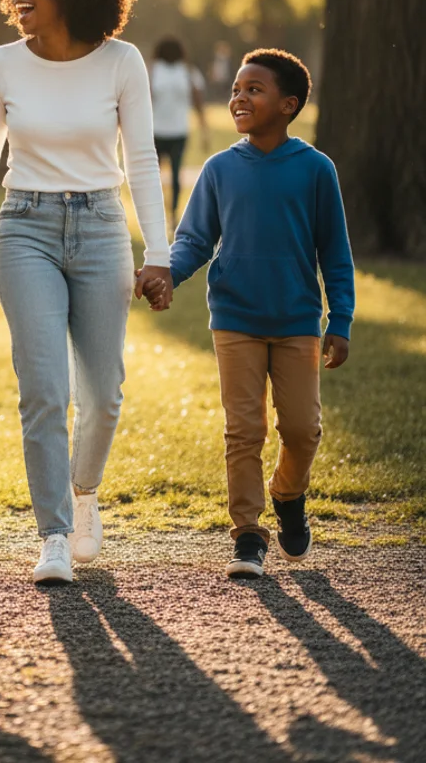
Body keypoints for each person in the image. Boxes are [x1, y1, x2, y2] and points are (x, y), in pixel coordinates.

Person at [0, 0, 171, 586]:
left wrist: (160, 254)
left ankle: (84, 491)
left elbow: (141, 161)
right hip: (25, 228)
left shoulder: (122, 63)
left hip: (100, 228)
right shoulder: (2, 64)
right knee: (44, 390)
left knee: (104, 394)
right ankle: (54, 534)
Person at [155, 49, 354, 580]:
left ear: (288, 105)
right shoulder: (220, 169)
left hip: (296, 320)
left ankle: (288, 495)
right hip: (235, 319)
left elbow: (335, 253)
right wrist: (167, 274)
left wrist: (341, 320)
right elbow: (195, 238)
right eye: (237, 88)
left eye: (254, 90)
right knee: (244, 430)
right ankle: (247, 535)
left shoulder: (316, 170)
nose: (239, 97)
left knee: (302, 429)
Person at [150, 35, 208, 223]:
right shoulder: (187, 71)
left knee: (166, 176)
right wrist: (204, 130)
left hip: (166, 131)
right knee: (167, 175)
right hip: (168, 131)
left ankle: (169, 214)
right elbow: (199, 103)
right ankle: (168, 214)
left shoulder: (155, 71)